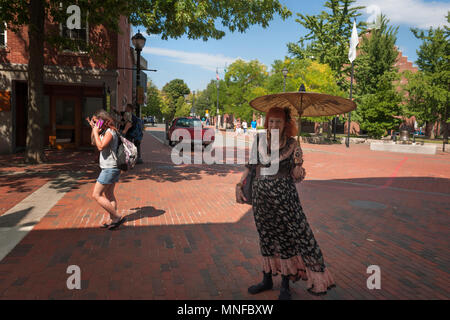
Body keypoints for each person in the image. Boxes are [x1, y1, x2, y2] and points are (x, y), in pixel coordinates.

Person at [236, 106, 335, 300]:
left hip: (285, 200)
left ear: (285, 125)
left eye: (278, 122)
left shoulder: (292, 145)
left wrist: (298, 166)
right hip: (261, 199)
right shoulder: (259, 140)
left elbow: (297, 176)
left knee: (286, 240)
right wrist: (239, 184)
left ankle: (285, 285)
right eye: (271, 121)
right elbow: (250, 167)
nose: (274, 125)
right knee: (266, 238)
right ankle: (267, 279)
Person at [87, 110, 126, 230]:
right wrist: (94, 130)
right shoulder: (104, 131)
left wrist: (95, 131)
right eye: (94, 122)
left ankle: (116, 216)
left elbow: (100, 146)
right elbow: (94, 142)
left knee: (96, 195)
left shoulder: (110, 132)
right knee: (109, 194)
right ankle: (113, 220)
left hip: (110, 168)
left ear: (103, 121)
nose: (95, 124)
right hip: (109, 168)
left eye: (96, 121)